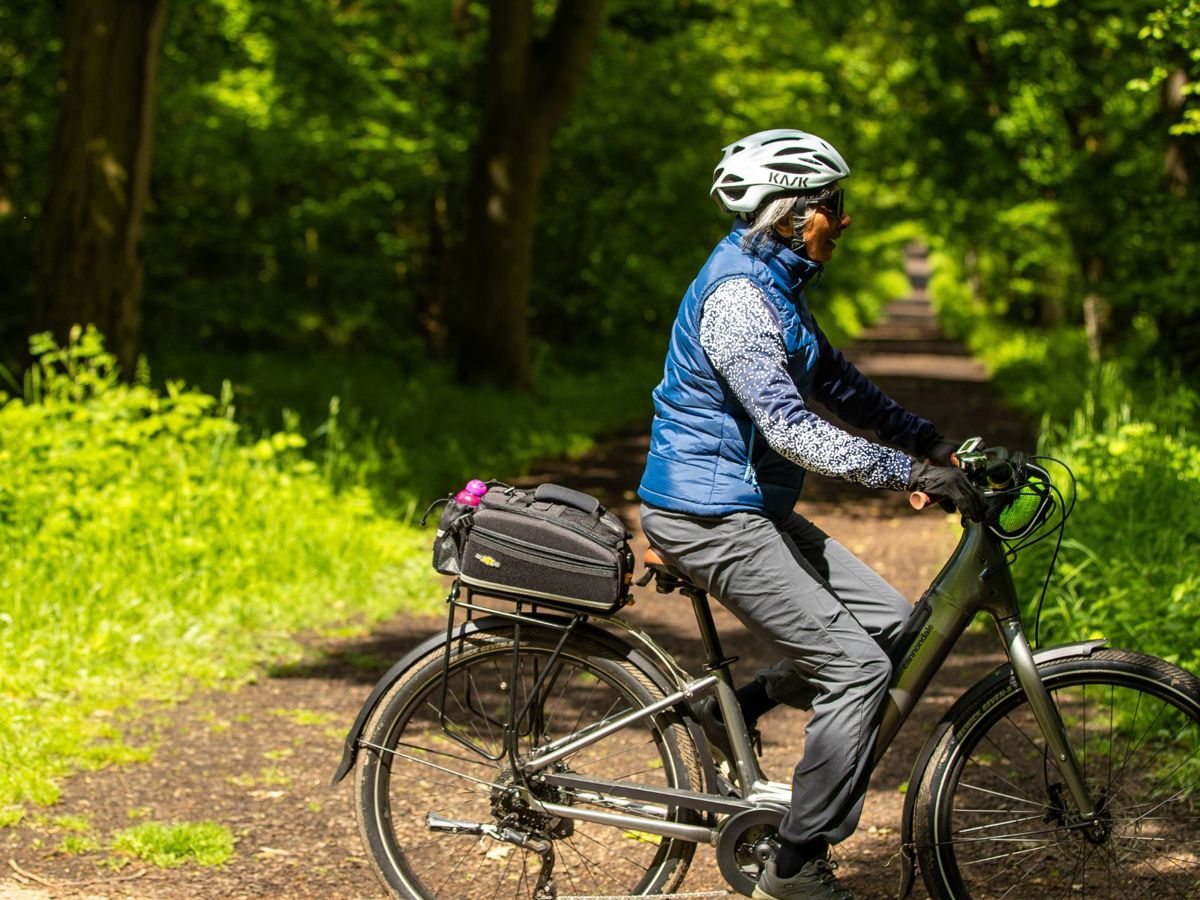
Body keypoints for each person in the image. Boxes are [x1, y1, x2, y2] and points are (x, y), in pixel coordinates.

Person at [637, 129, 983, 900]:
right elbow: (794, 428)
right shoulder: (738, 300)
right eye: (834, 206)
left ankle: (735, 706)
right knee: (856, 669)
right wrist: (905, 475)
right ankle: (793, 867)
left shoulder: (775, 285)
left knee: (897, 629)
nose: (844, 221)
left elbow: (841, 385)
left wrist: (930, 442)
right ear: (788, 214)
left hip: (746, 506)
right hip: (707, 514)